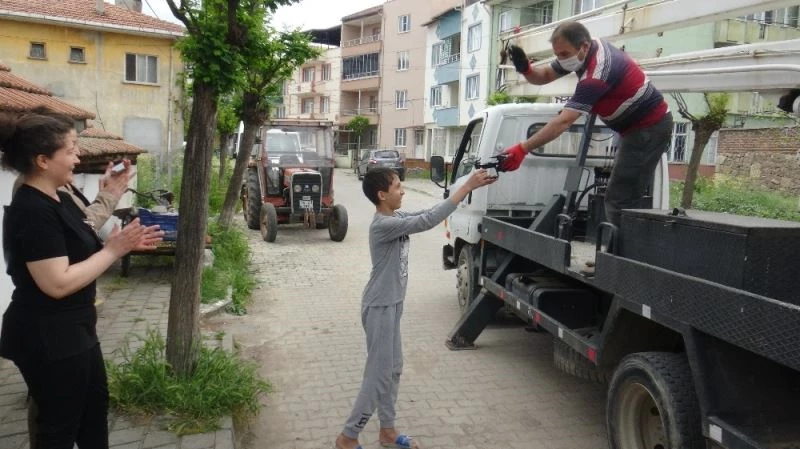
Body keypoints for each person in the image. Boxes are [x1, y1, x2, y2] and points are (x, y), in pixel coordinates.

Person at [0, 111, 163, 449]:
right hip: (49, 336)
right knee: (59, 429)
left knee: (93, 411)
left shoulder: (58, 195)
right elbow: (56, 283)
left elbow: (81, 232)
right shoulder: (32, 210)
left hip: (75, 330)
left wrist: (111, 195)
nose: (78, 158)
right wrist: (114, 250)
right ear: (43, 160)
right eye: (71, 150)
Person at [335, 167, 496, 449]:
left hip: (393, 305)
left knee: (393, 368)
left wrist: (466, 180)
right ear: (382, 195)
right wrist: (467, 188)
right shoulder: (382, 225)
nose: (403, 190)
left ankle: (387, 431)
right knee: (378, 373)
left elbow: (428, 212)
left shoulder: (395, 216)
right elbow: (429, 221)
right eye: (398, 187)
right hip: (379, 306)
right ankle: (348, 436)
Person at [500, 21, 674, 227]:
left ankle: (620, 255)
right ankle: (617, 249)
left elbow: (564, 121)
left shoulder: (598, 71)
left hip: (648, 129)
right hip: (633, 129)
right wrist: (526, 69)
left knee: (620, 198)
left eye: (564, 54)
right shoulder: (582, 53)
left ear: (583, 47)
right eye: (557, 54)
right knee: (621, 194)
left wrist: (523, 148)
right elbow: (545, 75)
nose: (560, 59)